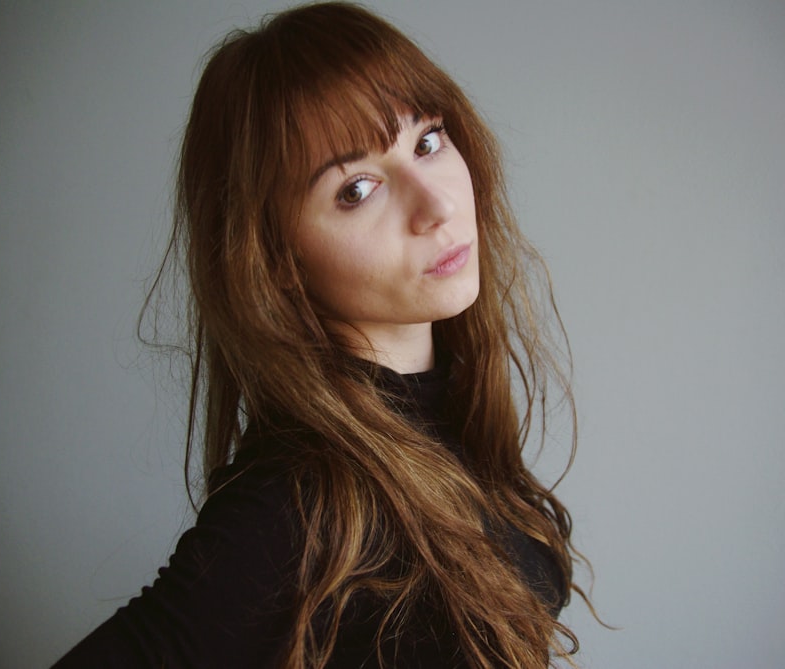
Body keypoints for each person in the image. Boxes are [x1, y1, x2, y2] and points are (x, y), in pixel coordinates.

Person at [53, 2, 597, 667]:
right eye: (357, 189)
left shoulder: (452, 410)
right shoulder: (298, 500)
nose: (437, 204)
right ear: (275, 260)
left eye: (427, 141)